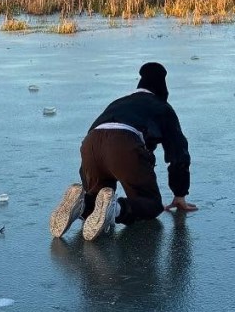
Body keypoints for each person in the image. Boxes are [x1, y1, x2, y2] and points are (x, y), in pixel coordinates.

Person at [49, 62, 198, 241]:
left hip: (91, 144)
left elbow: (92, 139)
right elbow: (178, 153)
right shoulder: (162, 107)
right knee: (151, 204)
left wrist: (87, 184)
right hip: (123, 145)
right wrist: (179, 193)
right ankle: (116, 210)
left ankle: (81, 205)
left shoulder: (118, 103)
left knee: (97, 202)